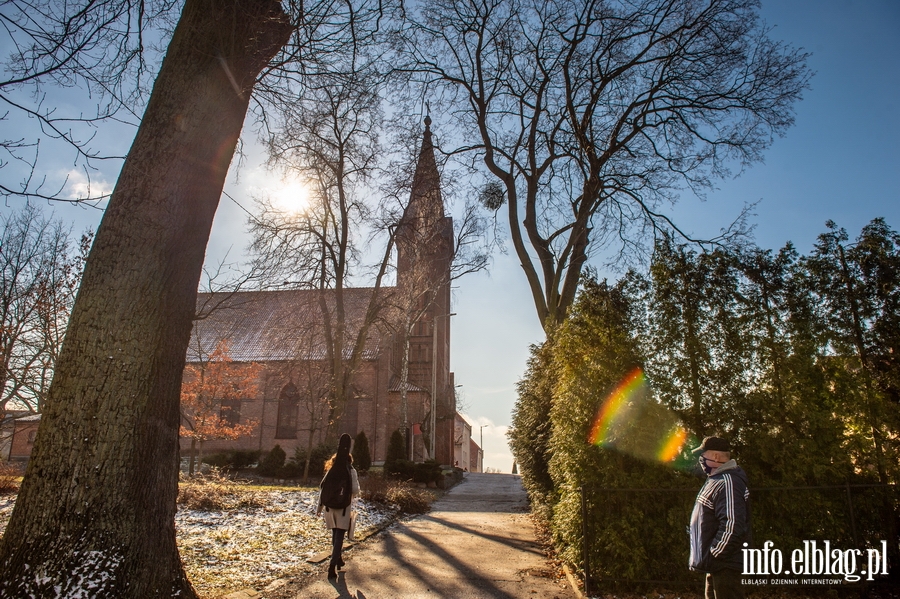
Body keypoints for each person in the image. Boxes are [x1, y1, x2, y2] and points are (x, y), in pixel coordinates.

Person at [689, 436, 750, 599]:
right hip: (716, 565)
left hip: (725, 565)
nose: (701, 460)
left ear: (715, 456)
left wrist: (714, 553)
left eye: (703, 455)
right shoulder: (717, 480)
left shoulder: (728, 481)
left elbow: (733, 524)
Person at [316, 433, 360, 579]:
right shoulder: (351, 470)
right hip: (343, 508)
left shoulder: (331, 470)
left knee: (334, 534)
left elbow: (323, 488)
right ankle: (331, 567)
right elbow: (355, 490)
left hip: (329, 508)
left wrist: (319, 508)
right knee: (339, 536)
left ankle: (338, 559)